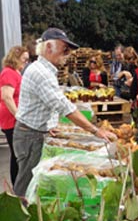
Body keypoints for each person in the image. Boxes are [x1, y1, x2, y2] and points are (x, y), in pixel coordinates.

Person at [13, 27, 115, 197]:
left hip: (32, 131)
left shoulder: (44, 70)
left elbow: (48, 102)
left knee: (29, 179)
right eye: (64, 49)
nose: (67, 54)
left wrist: (49, 124)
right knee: (26, 183)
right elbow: (64, 107)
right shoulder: (42, 73)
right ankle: (17, 218)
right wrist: (95, 130)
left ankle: (23, 215)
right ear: (48, 48)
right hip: (30, 135)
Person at [0, 46, 29, 185]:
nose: (25, 63)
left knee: (17, 153)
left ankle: (19, 184)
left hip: (15, 116)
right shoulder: (8, 73)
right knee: (17, 154)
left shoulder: (15, 72)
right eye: (24, 59)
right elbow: (7, 97)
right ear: (15, 58)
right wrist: (19, 116)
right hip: (11, 118)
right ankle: (18, 186)